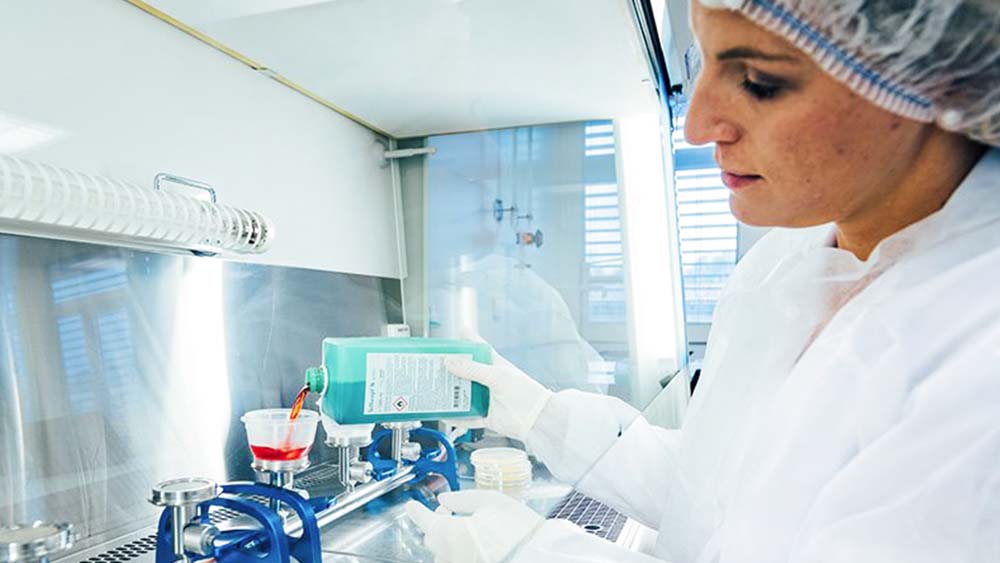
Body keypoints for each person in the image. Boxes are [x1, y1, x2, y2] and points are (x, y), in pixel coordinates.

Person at [406, 0, 1000, 561]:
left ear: (927, 84)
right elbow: (720, 491)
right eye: (702, 64)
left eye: (759, 82)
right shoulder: (782, 263)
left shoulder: (979, 353)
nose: (694, 125)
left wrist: (535, 554)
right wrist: (542, 415)